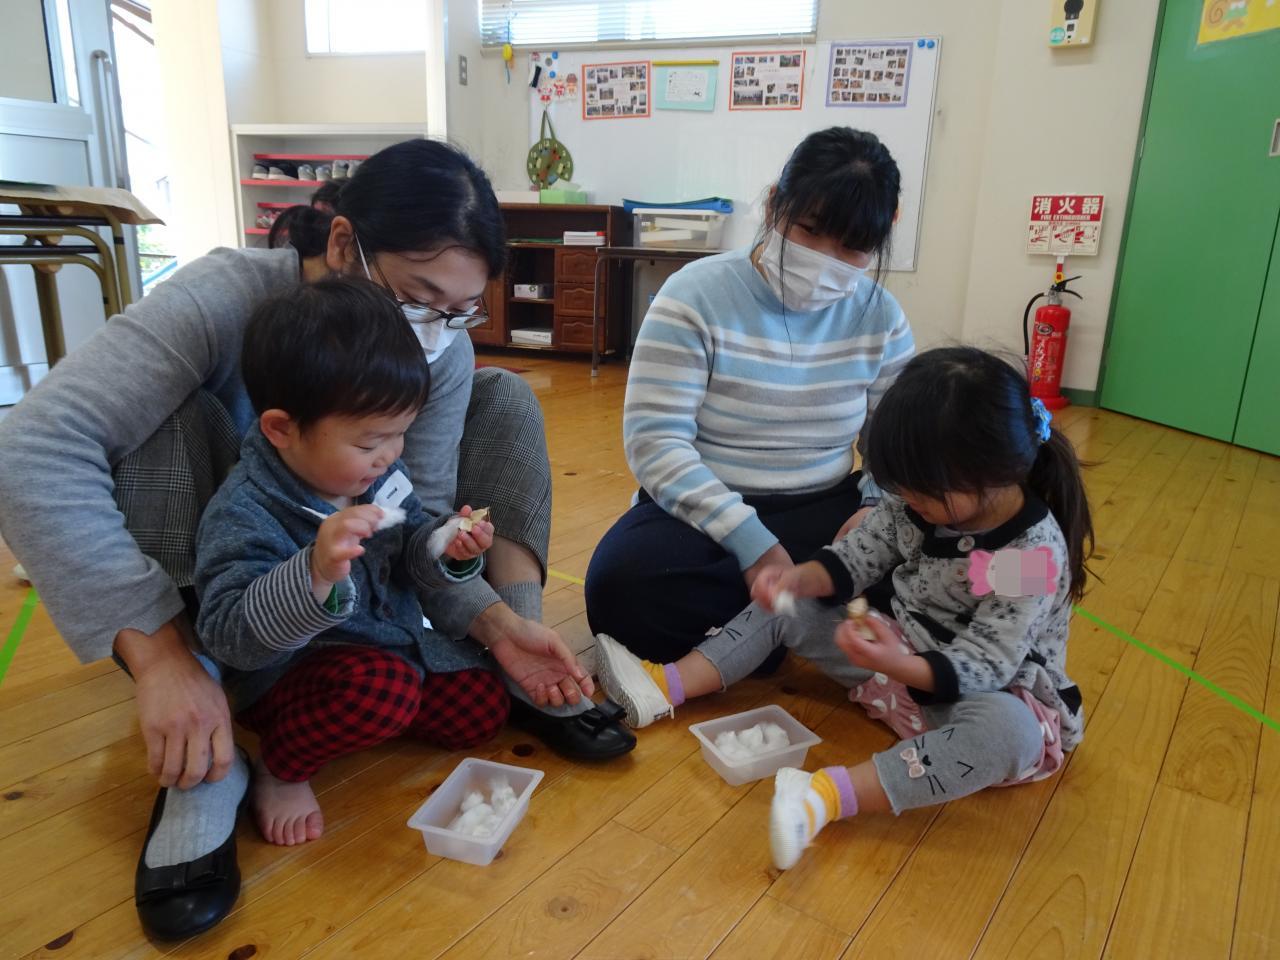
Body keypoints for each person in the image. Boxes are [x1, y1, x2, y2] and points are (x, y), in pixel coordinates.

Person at [0, 139, 631, 941]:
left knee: (505, 398)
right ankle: (204, 744)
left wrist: (491, 617)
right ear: (342, 246)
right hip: (235, 588)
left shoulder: (438, 349)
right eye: (418, 297)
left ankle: (518, 659)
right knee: (162, 414)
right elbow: (32, 448)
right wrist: (160, 658)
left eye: (458, 310)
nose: (434, 332)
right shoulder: (223, 299)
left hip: (348, 587)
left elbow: (412, 514)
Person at [593, 347, 1092, 870]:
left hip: (981, 693)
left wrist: (897, 664)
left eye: (921, 491)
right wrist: (796, 579)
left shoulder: (1027, 556)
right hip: (899, 664)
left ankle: (825, 796)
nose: (906, 500)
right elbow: (858, 555)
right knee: (793, 604)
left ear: (986, 475)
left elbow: (988, 662)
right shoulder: (917, 502)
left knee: (1009, 736)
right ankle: (665, 688)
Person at [196, 278, 510, 846]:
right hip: (292, 678)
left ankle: (376, 716)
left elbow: (411, 548)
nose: (389, 455)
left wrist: (445, 547)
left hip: (390, 652)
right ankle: (282, 767)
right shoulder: (245, 510)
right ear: (281, 429)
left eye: (401, 434)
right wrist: (313, 573)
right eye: (369, 443)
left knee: (481, 706)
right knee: (383, 690)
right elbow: (229, 638)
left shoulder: (380, 476)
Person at [585, 127, 915, 666]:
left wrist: (873, 508)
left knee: (954, 567)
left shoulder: (881, 315)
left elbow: (897, 447)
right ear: (774, 204)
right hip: (705, 511)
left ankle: (755, 636)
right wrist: (752, 545)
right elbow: (656, 443)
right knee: (622, 587)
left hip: (825, 511)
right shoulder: (694, 294)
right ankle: (803, 629)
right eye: (810, 231)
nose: (825, 259)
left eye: (853, 247)